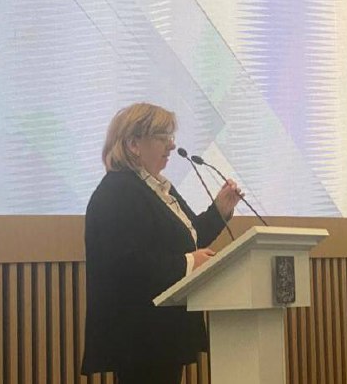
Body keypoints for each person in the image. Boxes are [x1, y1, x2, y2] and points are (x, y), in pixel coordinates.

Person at [81, 103, 242, 384]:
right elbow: (126, 264)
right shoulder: (118, 191)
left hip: (163, 333)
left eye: (171, 136)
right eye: (162, 136)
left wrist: (219, 211)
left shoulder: (156, 187)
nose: (171, 145)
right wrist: (189, 263)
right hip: (140, 336)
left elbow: (188, 238)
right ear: (134, 144)